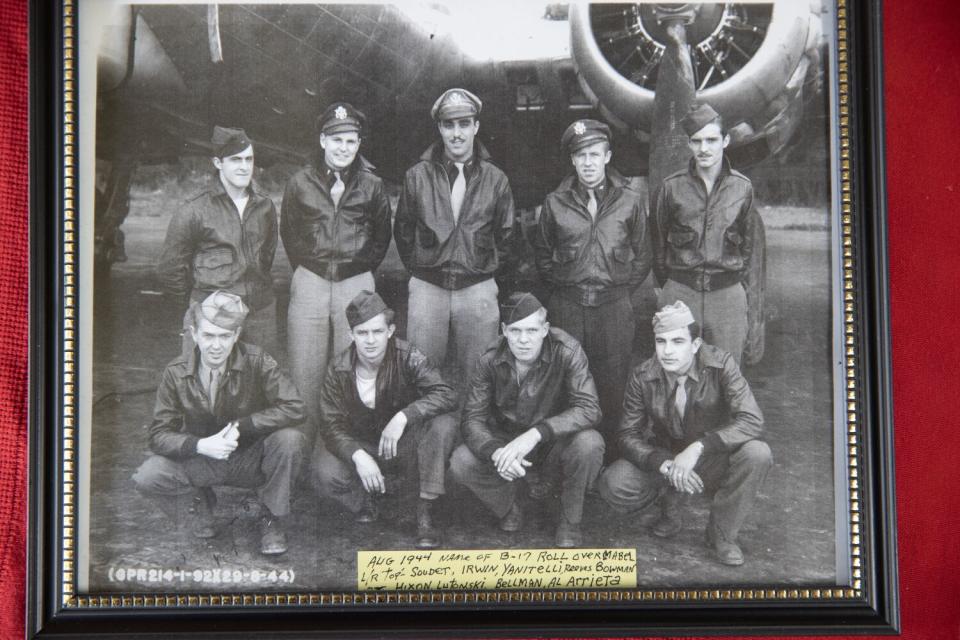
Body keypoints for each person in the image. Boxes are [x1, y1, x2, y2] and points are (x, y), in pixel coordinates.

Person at [597, 301, 772, 565]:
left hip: (711, 456)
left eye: (678, 341)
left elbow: (752, 419)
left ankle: (722, 535)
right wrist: (664, 465)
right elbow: (627, 435)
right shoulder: (643, 375)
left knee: (758, 453)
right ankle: (670, 503)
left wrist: (699, 447)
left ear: (695, 344)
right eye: (661, 341)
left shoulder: (721, 364)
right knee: (614, 483)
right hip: (666, 455)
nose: (667, 351)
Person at [132, 291, 307, 556]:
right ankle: (202, 509)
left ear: (236, 335)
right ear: (194, 333)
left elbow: (295, 407)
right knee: (148, 475)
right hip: (203, 460)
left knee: (290, 440)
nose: (216, 346)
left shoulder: (258, 361)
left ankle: (271, 517)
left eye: (225, 336)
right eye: (208, 335)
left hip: (249, 458)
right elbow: (158, 435)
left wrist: (244, 425)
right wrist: (200, 445)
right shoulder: (176, 372)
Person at [450, 292, 604, 548]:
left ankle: (569, 518)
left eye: (532, 331)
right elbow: (472, 419)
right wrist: (495, 451)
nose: (523, 340)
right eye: (516, 331)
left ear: (545, 329)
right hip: (507, 443)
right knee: (461, 461)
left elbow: (589, 408)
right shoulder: (489, 358)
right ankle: (509, 506)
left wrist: (536, 433)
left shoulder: (567, 350)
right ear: (504, 331)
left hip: (552, 442)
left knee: (590, 443)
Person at [533, 118, 653, 446]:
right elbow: (542, 254)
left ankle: (611, 459)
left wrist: (621, 290)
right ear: (572, 160)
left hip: (613, 307)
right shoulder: (555, 202)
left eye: (594, 155)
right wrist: (563, 287)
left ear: (607, 156)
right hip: (568, 306)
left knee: (613, 386)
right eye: (581, 155)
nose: (588, 163)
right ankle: (565, 459)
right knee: (563, 383)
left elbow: (644, 254)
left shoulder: (629, 200)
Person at [313, 291, 459, 548]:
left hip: (403, 445)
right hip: (365, 445)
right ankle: (370, 498)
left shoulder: (408, 355)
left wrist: (404, 416)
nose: (370, 341)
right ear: (351, 335)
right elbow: (330, 424)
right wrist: (358, 456)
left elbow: (446, 394)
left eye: (377, 332)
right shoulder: (339, 369)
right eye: (362, 333)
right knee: (322, 470)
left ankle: (423, 510)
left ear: (390, 331)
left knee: (443, 424)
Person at [281, 102, 393, 438]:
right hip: (311, 280)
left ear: (359, 144)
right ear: (322, 141)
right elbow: (290, 232)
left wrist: (358, 268)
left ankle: (347, 451)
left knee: (354, 368)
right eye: (336, 140)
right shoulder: (300, 182)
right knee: (305, 371)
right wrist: (311, 266)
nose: (344, 148)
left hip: (354, 282)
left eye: (351, 141)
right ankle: (301, 454)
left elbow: (381, 235)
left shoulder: (372, 184)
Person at [393, 88, 517, 387]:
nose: (457, 133)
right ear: (440, 128)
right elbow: (403, 231)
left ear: (476, 126)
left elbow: (507, 234)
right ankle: (427, 434)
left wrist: (483, 270)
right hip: (428, 288)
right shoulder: (417, 176)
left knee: (479, 376)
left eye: (464, 124)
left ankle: (473, 432)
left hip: (476, 288)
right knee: (422, 373)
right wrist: (423, 268)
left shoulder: (496, 178)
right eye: (449, 125)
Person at [651, 104, 765, 364]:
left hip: (726, 295)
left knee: (725, 374)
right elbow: (657, 247)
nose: (704, 149)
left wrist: (731, 282)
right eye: (697, 141)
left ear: (725, 140)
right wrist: (674, 285)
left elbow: (748, 248)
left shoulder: (742, 188)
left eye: (712, 140)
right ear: (689, 144)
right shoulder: (670, 188)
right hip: (681, 291)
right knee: (675, 373)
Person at [157, 126, 280, 359]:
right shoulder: (194, 210)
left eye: (249, 159)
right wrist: (198, 303)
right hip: (211, 314)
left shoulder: (265, 207)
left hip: (260, 312)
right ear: (218, 163)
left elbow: (267, 256)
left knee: (259, 384)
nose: (244, 167)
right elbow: (168, 269)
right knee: (205, 387)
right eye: (235, 160)